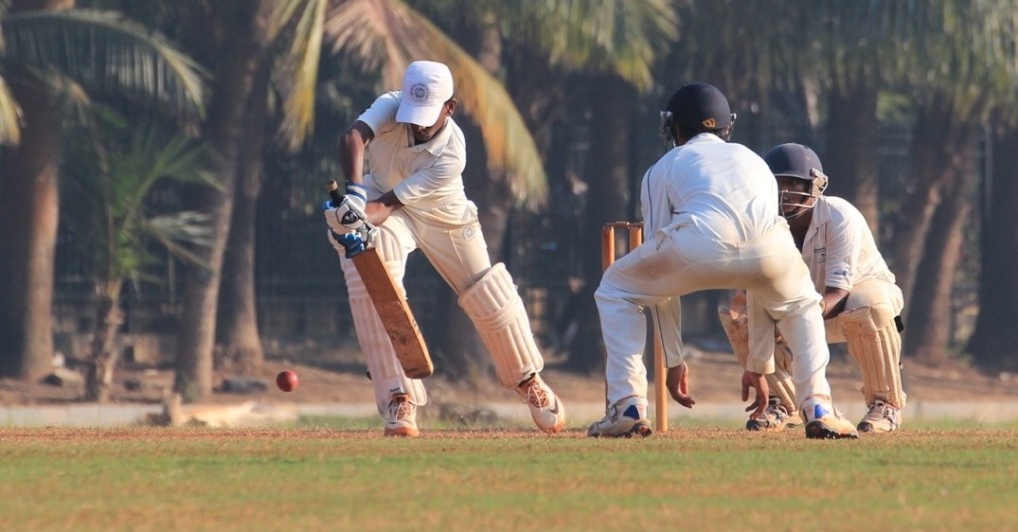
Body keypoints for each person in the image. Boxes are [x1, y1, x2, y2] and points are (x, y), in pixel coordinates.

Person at [587, 82, 859, 439]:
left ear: (674, 126)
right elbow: (758, 286)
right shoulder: (754, 161)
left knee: (615, 289)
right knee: (803, 307)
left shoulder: (664, 166)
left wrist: (673, 360)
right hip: (771, 251)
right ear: (726, 125)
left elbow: (659, 269)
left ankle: (628, 406)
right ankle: (818, 406)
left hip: (697, 243)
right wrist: (758, 366)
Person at [324, 59, 565, 437]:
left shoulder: (453, 153)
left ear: (450, 108)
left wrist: (359, 213)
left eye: (429, 114)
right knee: (371, 277)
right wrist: (352, 196)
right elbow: (352, 138)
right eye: (412, 112)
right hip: (384, 202)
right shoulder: (390, 105)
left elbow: (387, 206)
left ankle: (528, 380)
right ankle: (398, 397)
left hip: (442, 215)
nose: (418, 123)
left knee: (487, 292)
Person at [717, 143, 907, 434]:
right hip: (805, 311)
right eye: (777, 183)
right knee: (737, 312)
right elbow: (756, 294)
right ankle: (783, 402)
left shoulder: (839, 215)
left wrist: (801, 315)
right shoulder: (761, 225)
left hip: (852, 306)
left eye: (793, 182)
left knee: (869, 301)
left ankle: (886, 404)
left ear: (814, 185)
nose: (785, 192)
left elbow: (839, 291)